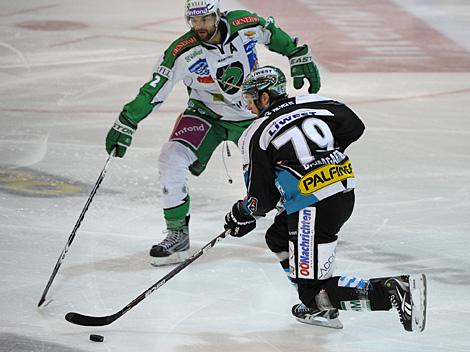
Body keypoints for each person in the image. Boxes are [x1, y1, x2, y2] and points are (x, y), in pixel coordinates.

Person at [105, 0, 321, 266]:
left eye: (205, 20)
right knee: (170, 157)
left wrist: (296, 53)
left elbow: (272, 34)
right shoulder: (181, 52)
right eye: (194, 21)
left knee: (277, 169)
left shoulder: (244, 24)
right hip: (205, 115)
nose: (200, 27)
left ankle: (294, 226)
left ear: (217, 15)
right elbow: (154, 90)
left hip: (251, 114)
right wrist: (128, 120)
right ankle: (177, 234)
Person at [223, 65, 427, 331]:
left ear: (264, 97)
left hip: (312, 208)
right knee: (278, 236)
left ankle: (390, 291)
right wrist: (323, 156)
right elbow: (354, 126)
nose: (248, 106)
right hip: (342, 193)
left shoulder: (255, 133)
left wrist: (242, 212)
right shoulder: (313, 101)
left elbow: (261, 199)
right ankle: (319, 308)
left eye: (250, 99)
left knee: (312, 292)